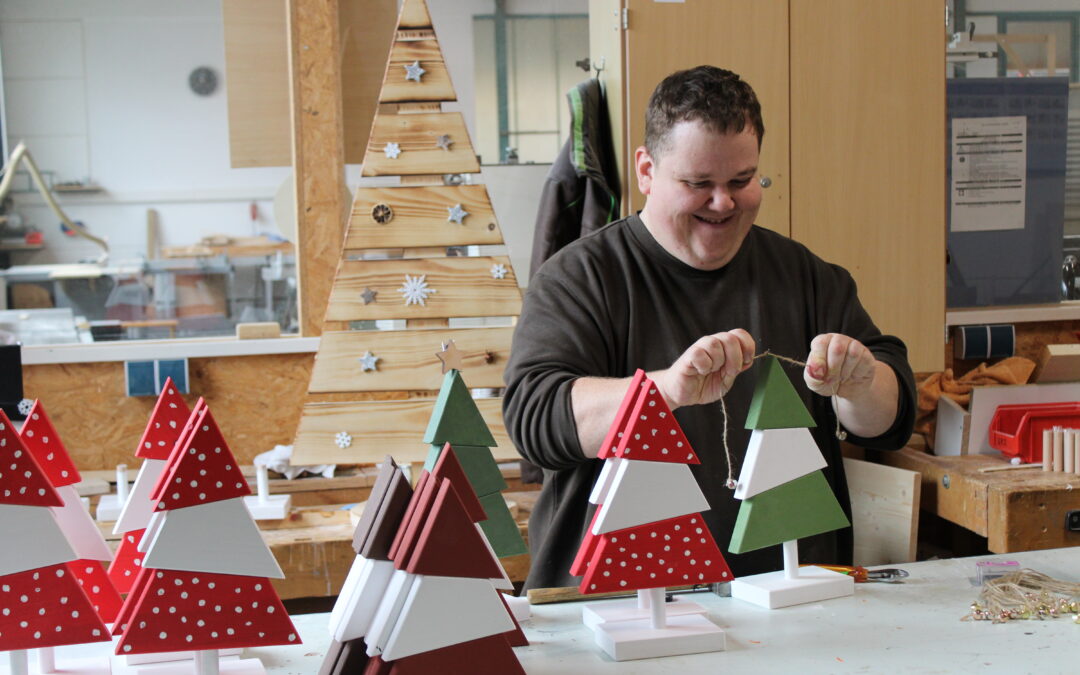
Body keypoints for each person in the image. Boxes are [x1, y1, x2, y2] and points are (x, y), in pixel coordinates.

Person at [503, 66, 916, 591]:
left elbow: (891, 415)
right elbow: (535, 419)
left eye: (742, 181)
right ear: (647, 171)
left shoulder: (807, 277)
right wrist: (664, 392)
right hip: (624, 610)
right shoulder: (579, 278)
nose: (723, 203)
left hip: (788, 601)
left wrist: (862, 385)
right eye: (698, 184)